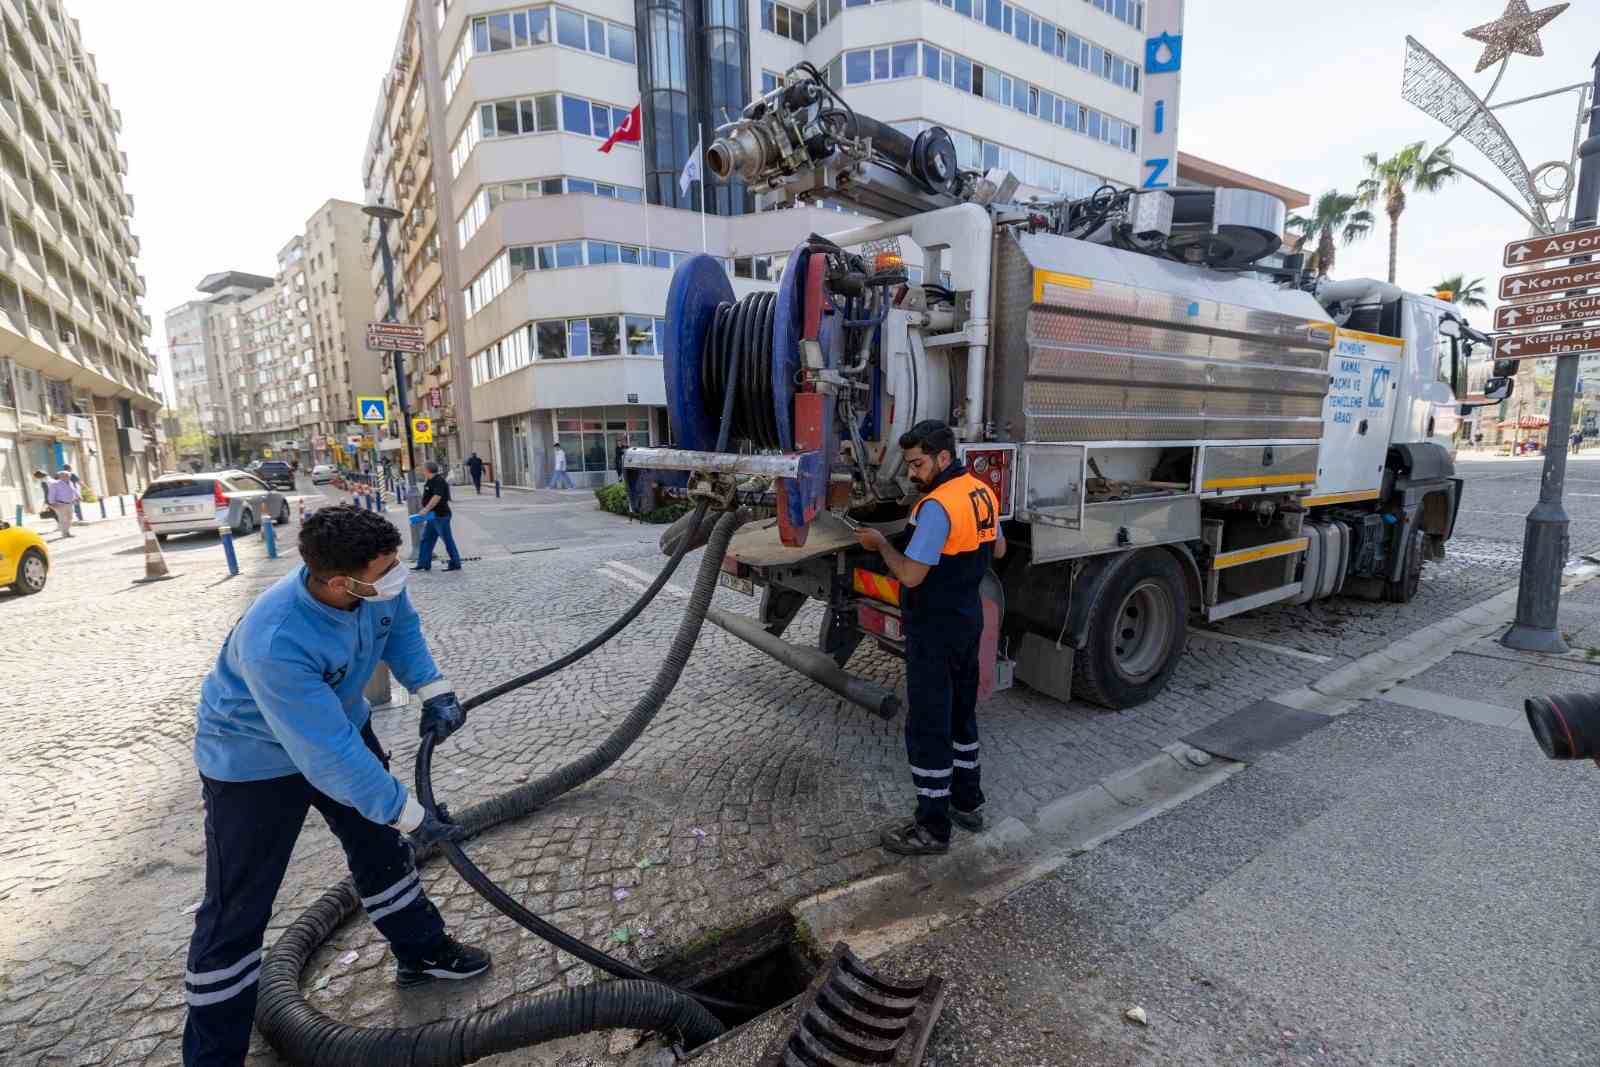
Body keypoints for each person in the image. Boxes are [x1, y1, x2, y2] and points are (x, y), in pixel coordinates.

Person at [182, 505, 488, 1066]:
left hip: (339, 727)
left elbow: (401, 632)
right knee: (238, 905)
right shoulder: (275, 639)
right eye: (385, 570)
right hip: (251, 763)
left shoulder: (375, 588)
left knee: (380, 848)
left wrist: (434, 689)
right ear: (339, 581)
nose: (397, 576)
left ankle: (421, 953)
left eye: (397, 563)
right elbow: (328, 758)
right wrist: (412, 813)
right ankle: (213, 1054)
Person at [853, 420, 1004, 856]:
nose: (913, 473)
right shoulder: (981, 492)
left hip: (934, 626)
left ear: (942, 457)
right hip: (966, 617)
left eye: (918, 464)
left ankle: (932, 828)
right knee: (961, 712)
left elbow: (911, 575)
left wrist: (881, 543)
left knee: (928, 724)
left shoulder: (935, 506)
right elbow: (998, 550)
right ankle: (967, 803)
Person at [415, 460, 462, 572]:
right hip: (432, 516)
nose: (422, 470)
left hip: (441, 515)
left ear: (427, 470)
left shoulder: (438, 481)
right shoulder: (430, 480)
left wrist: (426, 509)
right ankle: (423, 563)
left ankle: (455, 563)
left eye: (423, 468)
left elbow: (437, 496)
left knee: (447, 539)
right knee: (426, 539)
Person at [47, 469, 80, 538]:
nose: (67, 477)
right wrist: (52, 503)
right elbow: (51, 494)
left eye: (68, 476)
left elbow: (74, 490)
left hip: (70, 503)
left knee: (70, 518)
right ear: (60, 477)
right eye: (65, 476)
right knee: (63, 519)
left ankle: (67, 531)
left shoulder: (70, 482)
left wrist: (78, 496)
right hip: (60, 504)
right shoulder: (55, 484)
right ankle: (65, 533)